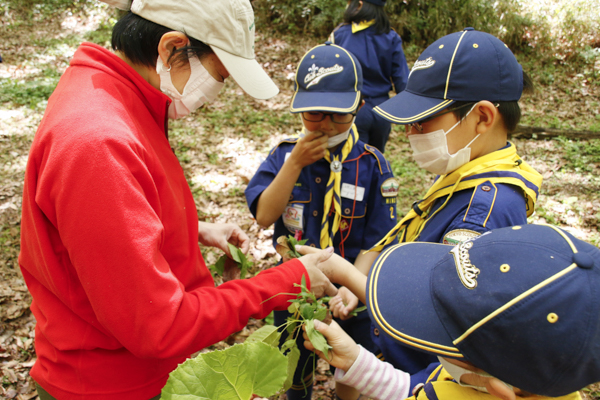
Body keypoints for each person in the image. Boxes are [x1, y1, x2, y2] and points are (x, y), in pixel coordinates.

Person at [18, 1, 338, 399]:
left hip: (131, 367)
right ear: (171, 48)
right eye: (218, 75)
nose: (217, 93)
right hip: (111, 383)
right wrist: (285, 280)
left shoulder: (110, 94)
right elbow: (158, 326)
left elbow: (98, 228)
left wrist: (189, 229)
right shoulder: (99, 143)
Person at [329, 27, 544, 376]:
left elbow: (439, 313)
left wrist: (346, 275)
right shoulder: (466, 172)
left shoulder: (482, 210)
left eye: (423, 120)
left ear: (482, 118)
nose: (409, 132)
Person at [245, 42, 399, 400]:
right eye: (314, 114)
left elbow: (377, 239)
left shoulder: (373, 166)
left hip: (351, 300)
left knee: (353, 373)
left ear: (359, 107)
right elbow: (265, 216)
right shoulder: (285, 155)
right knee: (294, 372)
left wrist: (351, 288)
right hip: (293, 293)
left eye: (338, 115)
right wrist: (294, 164)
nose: (326, 124)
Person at [303, 223, 600, 400]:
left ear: (500, 389)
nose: (444, 361)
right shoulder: (542, 378)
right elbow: (418, 389)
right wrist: (357, 362)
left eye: (443, 331)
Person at [328, 0, 409, 153]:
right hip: (382, 111)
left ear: (359, 5)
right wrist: (410, 115)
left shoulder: (340, 35)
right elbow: (402, 80)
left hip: (353, 108)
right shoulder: (390, 37)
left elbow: (328, 76)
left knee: (352, 162)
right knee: (375, 160)